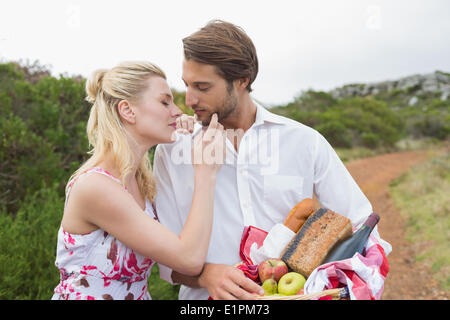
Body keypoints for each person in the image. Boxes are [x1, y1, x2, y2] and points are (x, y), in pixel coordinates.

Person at [153, 20, 392, 300]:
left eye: (202, 87)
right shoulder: (171, 151)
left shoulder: (304, 141)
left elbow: (360, 223)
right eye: (186, 85)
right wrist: (206, 274)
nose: (190, 99)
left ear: (242, 80)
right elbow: (168, 264)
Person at [52, 61, 226, 300]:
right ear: (128, 111)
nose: (177, 111)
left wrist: (191, 138)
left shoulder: (141, 182)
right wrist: (206, 172)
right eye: (165, 102)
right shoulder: (95, 187)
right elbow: (189, 259)